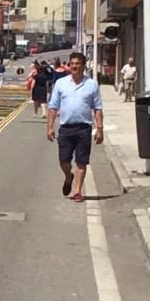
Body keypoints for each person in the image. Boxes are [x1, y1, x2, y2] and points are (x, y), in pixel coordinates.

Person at [47, 52, 103, 202]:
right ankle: (68, 176)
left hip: (84, 128)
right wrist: (50, 127)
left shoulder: (92, 84)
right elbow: (53, 107)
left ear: (83, 66)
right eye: (72, 63)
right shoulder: (61, 83)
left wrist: (100, 129)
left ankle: (77, 191)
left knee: (81, 161)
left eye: (78, 63)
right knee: (64, 161)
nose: (74, 66)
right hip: (66, 128)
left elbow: (97, 108)